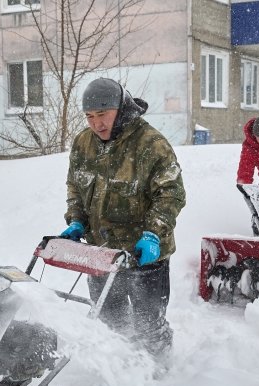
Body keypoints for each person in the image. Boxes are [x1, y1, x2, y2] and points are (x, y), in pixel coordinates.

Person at [60, 77, 186, 366]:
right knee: (110, 320)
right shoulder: (83, 143)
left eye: (102, 115)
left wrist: (154, 233)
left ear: (120, 108)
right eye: (90, 117)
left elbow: (171, 195)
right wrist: (77, 221)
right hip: (102, 253)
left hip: (143, 253)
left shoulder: (151, 144)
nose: (96, 124)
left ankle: (162, 372)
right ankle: (122, 370)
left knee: (147, 324)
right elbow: (75, 187)